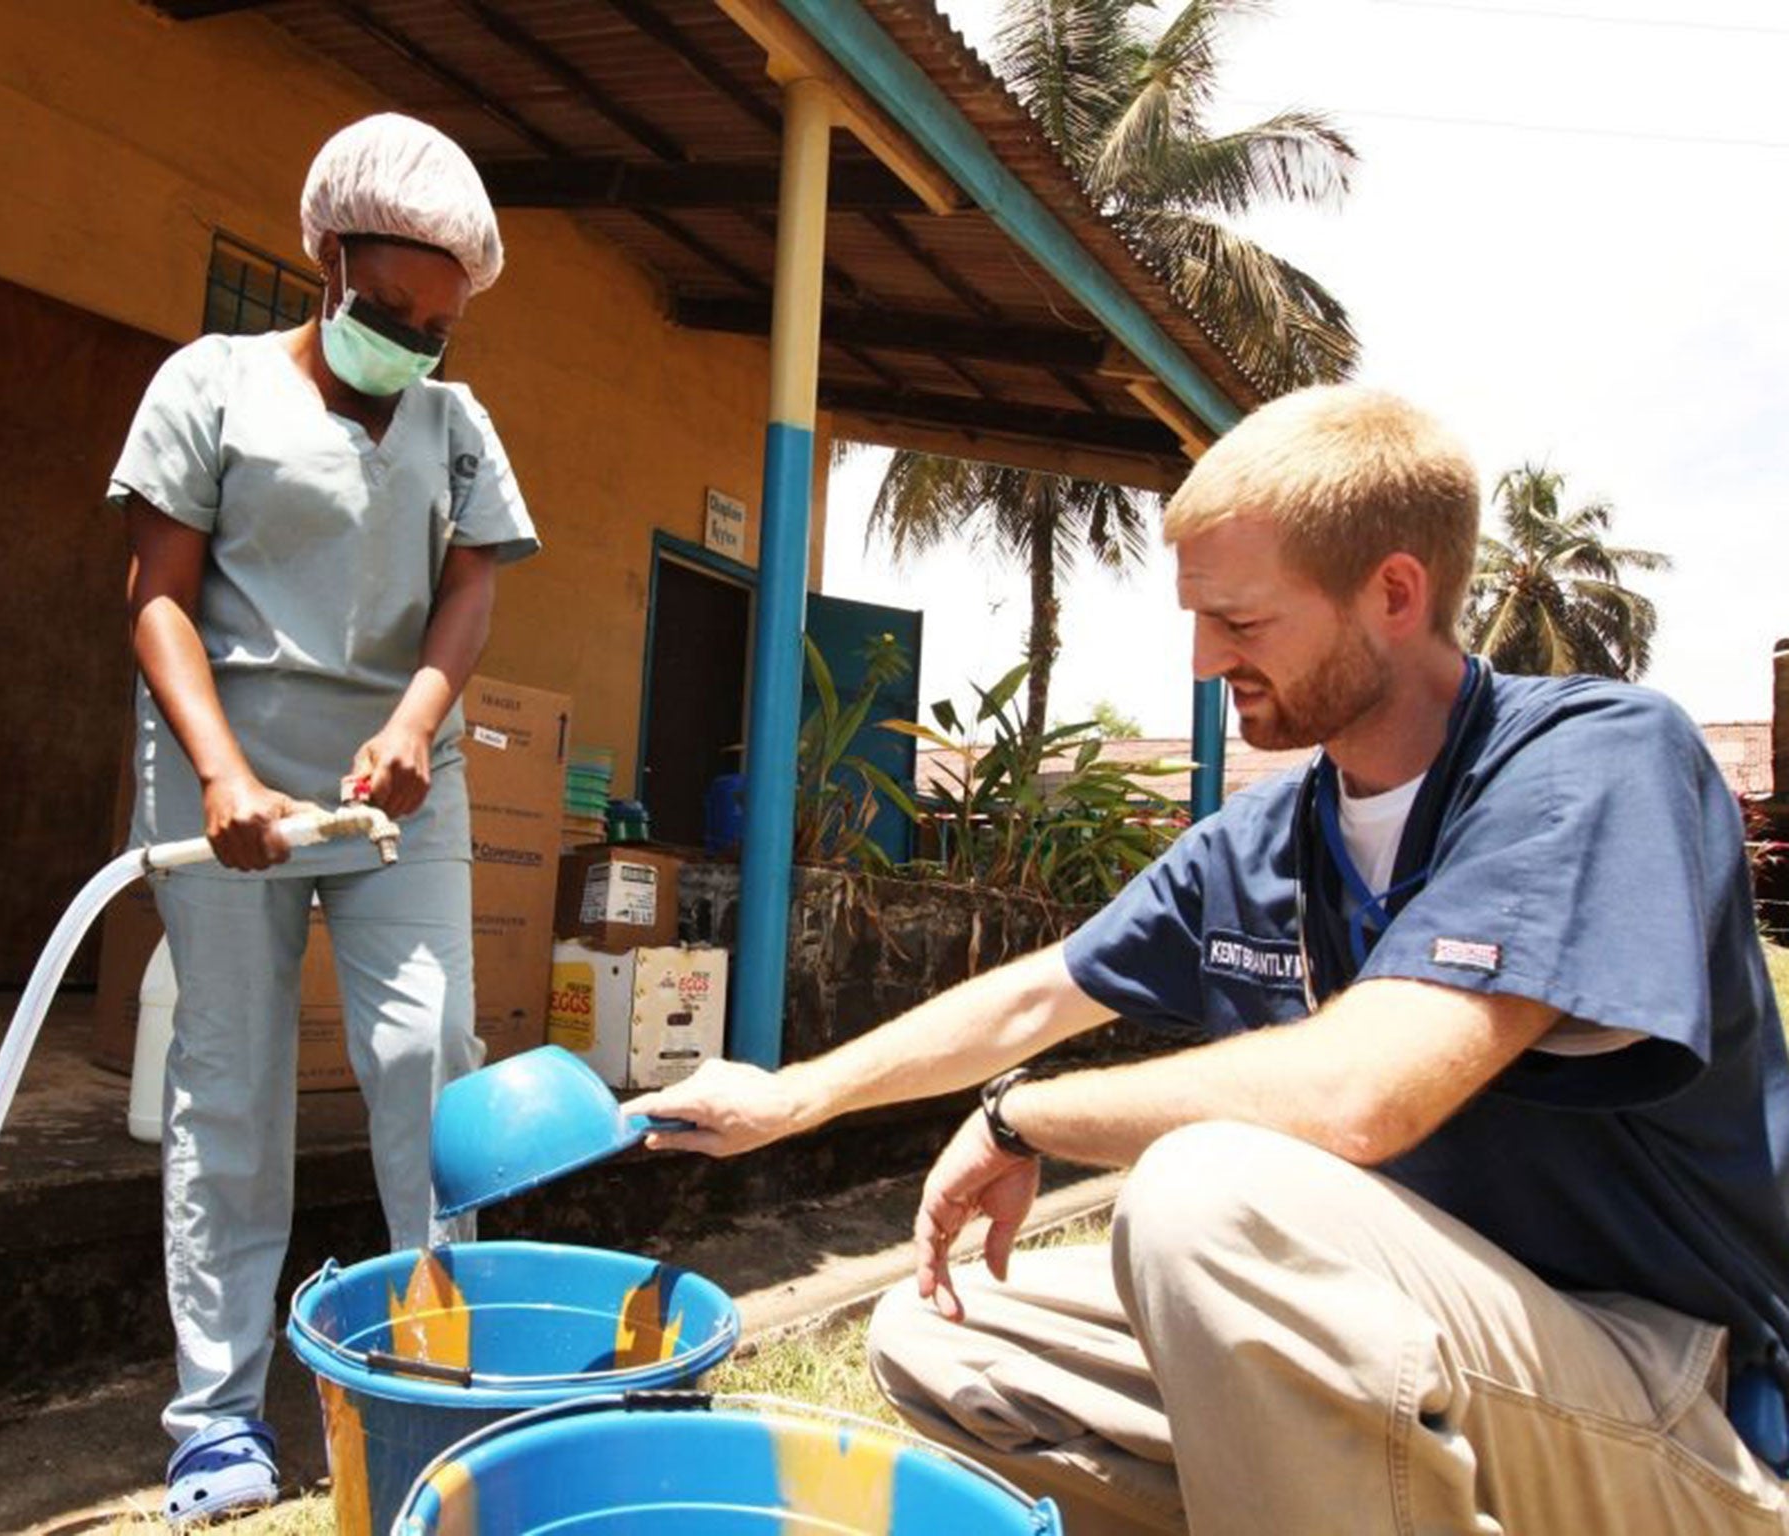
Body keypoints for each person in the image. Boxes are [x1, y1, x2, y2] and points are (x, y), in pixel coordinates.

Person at [635, 386, 1789, 1534]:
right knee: (941, 1334)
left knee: (1204, 1201)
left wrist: (1019, 1119)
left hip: (1664, 1396)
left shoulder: (1592, 763)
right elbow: (1034, 995)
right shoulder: (1270, 835)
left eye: (1238, 624)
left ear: (1392, 593)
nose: (1200, 661)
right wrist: (792, 1098)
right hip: (1416, 1350)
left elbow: (1355, 1095)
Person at [108, 114, 537, 1528]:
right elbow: (156, 595)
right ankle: (217, 1420)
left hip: (398, 782)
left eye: (437, 328)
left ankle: (439, 1370)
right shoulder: (210, 384)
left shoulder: (455, 425)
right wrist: (223, 774)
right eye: (387, 311)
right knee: (229, 1082)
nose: (409, 348)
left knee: (427, 1052)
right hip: (223, 773)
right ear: (325, 255)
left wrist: (418, 723)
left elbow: (470, 586)